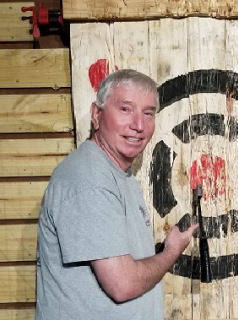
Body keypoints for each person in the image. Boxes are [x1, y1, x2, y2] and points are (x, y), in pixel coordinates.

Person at [35, 69, 198, 320]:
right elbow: (123, 285)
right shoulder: (89, 179)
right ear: (96, 115)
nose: (139, 125)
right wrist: (171, 251)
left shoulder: (118, 173)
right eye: (125, 109)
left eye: (148, 113)